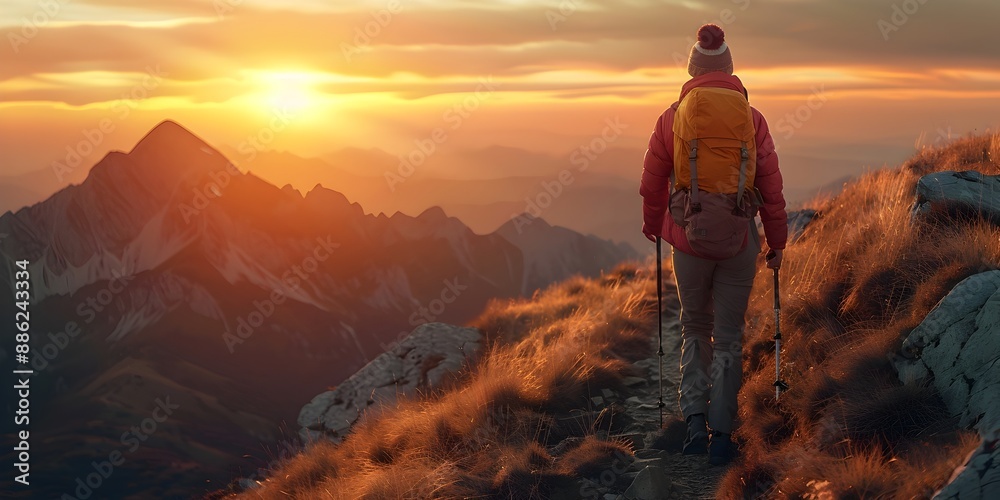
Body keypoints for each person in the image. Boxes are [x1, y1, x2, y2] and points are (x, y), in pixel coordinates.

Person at [639, 23, 788, 466]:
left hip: (688, 241)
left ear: (692, 69)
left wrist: (654, 226)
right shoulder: (752, 119)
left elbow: (651, 183)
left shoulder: (672, 117)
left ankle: (693, 425)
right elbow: (772, 188)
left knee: (693, 329)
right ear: (729, 70)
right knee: (727, 338)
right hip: (740, 241)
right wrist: (776, 242)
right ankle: (723, 436)